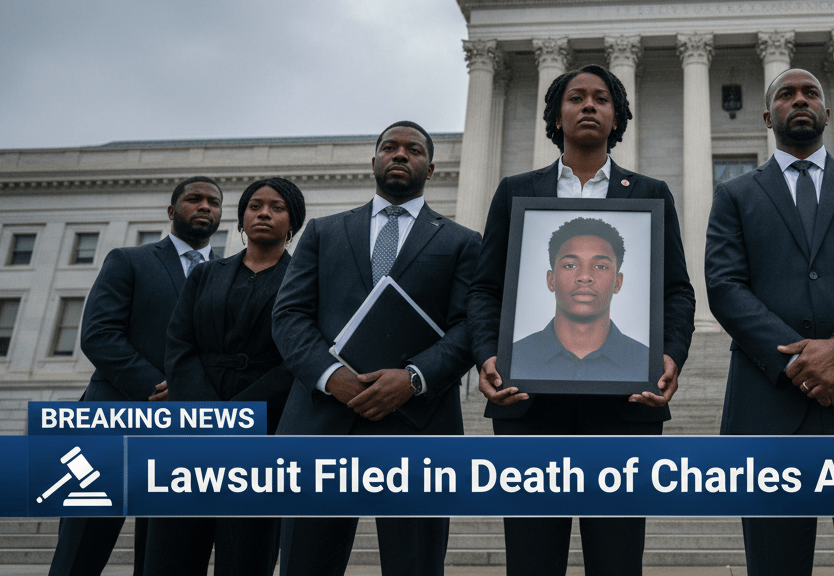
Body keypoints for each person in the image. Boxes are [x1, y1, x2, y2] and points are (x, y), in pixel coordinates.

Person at [471, 63, 695, 576]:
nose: (588, 105)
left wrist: (670, 356)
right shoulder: (514, 191)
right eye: (576, 97)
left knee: (617, 560)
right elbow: (485, 288)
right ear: (556, 115)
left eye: (601, 98)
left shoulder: (650, 194)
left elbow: (677, 291)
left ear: (617, 117)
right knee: (530, 560)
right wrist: (487, 354)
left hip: (624, 407)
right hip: (528, 407)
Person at [704, 67, 834, 576]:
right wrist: (803, 360)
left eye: (810, 93)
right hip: (770, 405)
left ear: (827, 110)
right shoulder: (735, 195)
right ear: (767, 115)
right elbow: (725, 287)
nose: (799, 100)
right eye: (786, 94)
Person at [270, 122, 480, 576]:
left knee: (415, 564)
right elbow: (289, 317)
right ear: (374, 161)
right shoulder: (324, 232)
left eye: (413, 149)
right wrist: (332, 378)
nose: (400, 155)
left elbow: (470, 328)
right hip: (323, 419)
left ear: (431, 165)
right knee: (306, 562)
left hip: (418, 421)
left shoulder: (462, 242)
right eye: (390, 147)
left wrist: (413, 378)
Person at [49, 176, 223, 576]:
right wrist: (161, 387)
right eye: (193, 199)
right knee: (81, 550)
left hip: (185, 432)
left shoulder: (226, 274)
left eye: (213, 202)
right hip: (114, 417)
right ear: (171, 210)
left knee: (164, 556)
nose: (204, 207)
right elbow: (98, 335)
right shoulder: (129, 259)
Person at [145, 177, 306, 575]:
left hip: (262, 438)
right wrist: (207, 414)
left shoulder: (306, 282)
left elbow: (299, 359)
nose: (263, 213)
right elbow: (179, 344)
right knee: (172, 553)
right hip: (192, 433)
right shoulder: (204, 275)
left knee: (246, 556)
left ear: (293, 225)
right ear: (240, 219)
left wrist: (239, 418)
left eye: (276, 207)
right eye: (254, 206)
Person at [510, 216, 650, 382]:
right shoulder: (513, 359)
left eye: (600, 266)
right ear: (551, 280)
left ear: (617, 283)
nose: (585, 277)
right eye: (570, 265)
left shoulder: (647, 363)